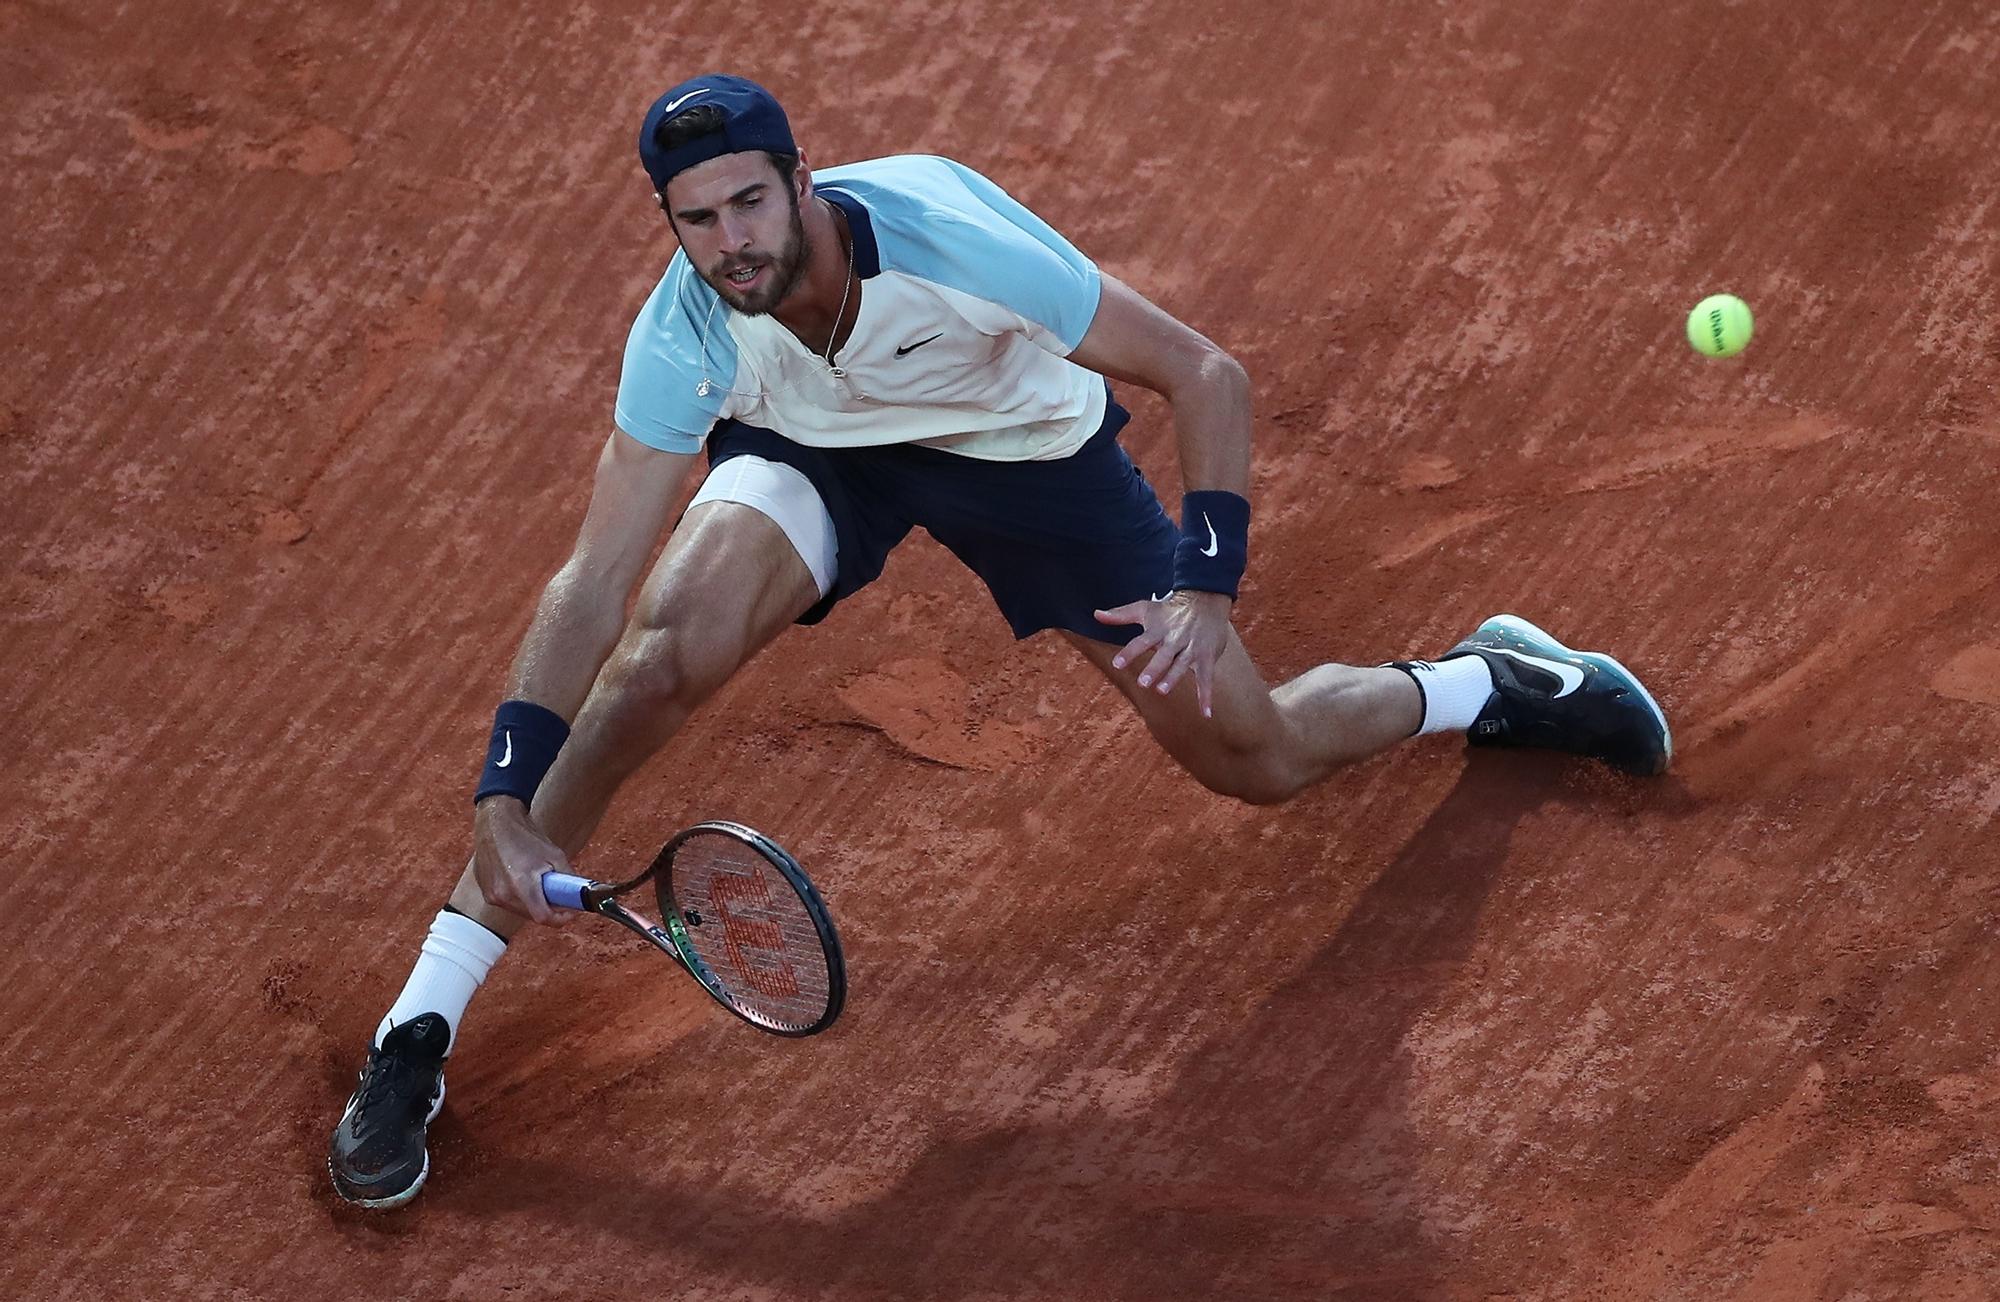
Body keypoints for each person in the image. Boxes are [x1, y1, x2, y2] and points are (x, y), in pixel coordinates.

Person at [327, 74, 1672, 1209]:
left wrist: (1206, 585)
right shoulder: (685, 331)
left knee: (1253, 754)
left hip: (1026, 457)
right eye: (698, 221)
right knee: (652, 660)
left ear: (801, 182)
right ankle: (419, 1025)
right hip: (819, 455)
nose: (732, 241)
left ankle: (1486, 679)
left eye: (750, 201)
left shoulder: (949, 233)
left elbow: (1207, 374)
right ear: (671, 228)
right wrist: (505, 791)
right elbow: (593, 577)